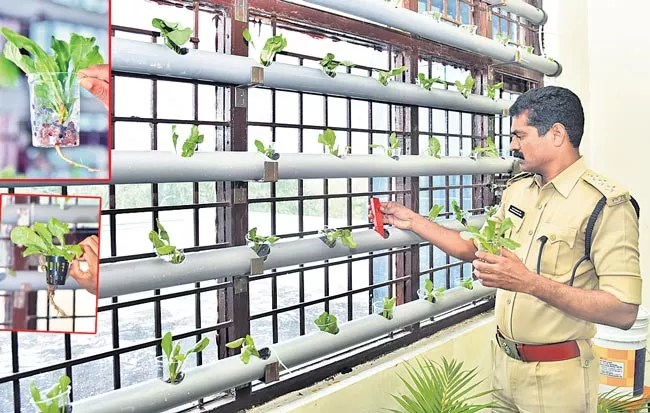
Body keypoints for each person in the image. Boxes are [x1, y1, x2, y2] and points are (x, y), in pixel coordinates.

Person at [379, 86, 641, 412]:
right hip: (504, 368)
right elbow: (473, 248)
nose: (513, 145)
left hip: (558, 378)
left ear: (557, 134)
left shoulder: (605, 205)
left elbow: (624, 310)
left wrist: (529, 282)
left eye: (520, 135)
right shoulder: (518, 191)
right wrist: (414, 222)